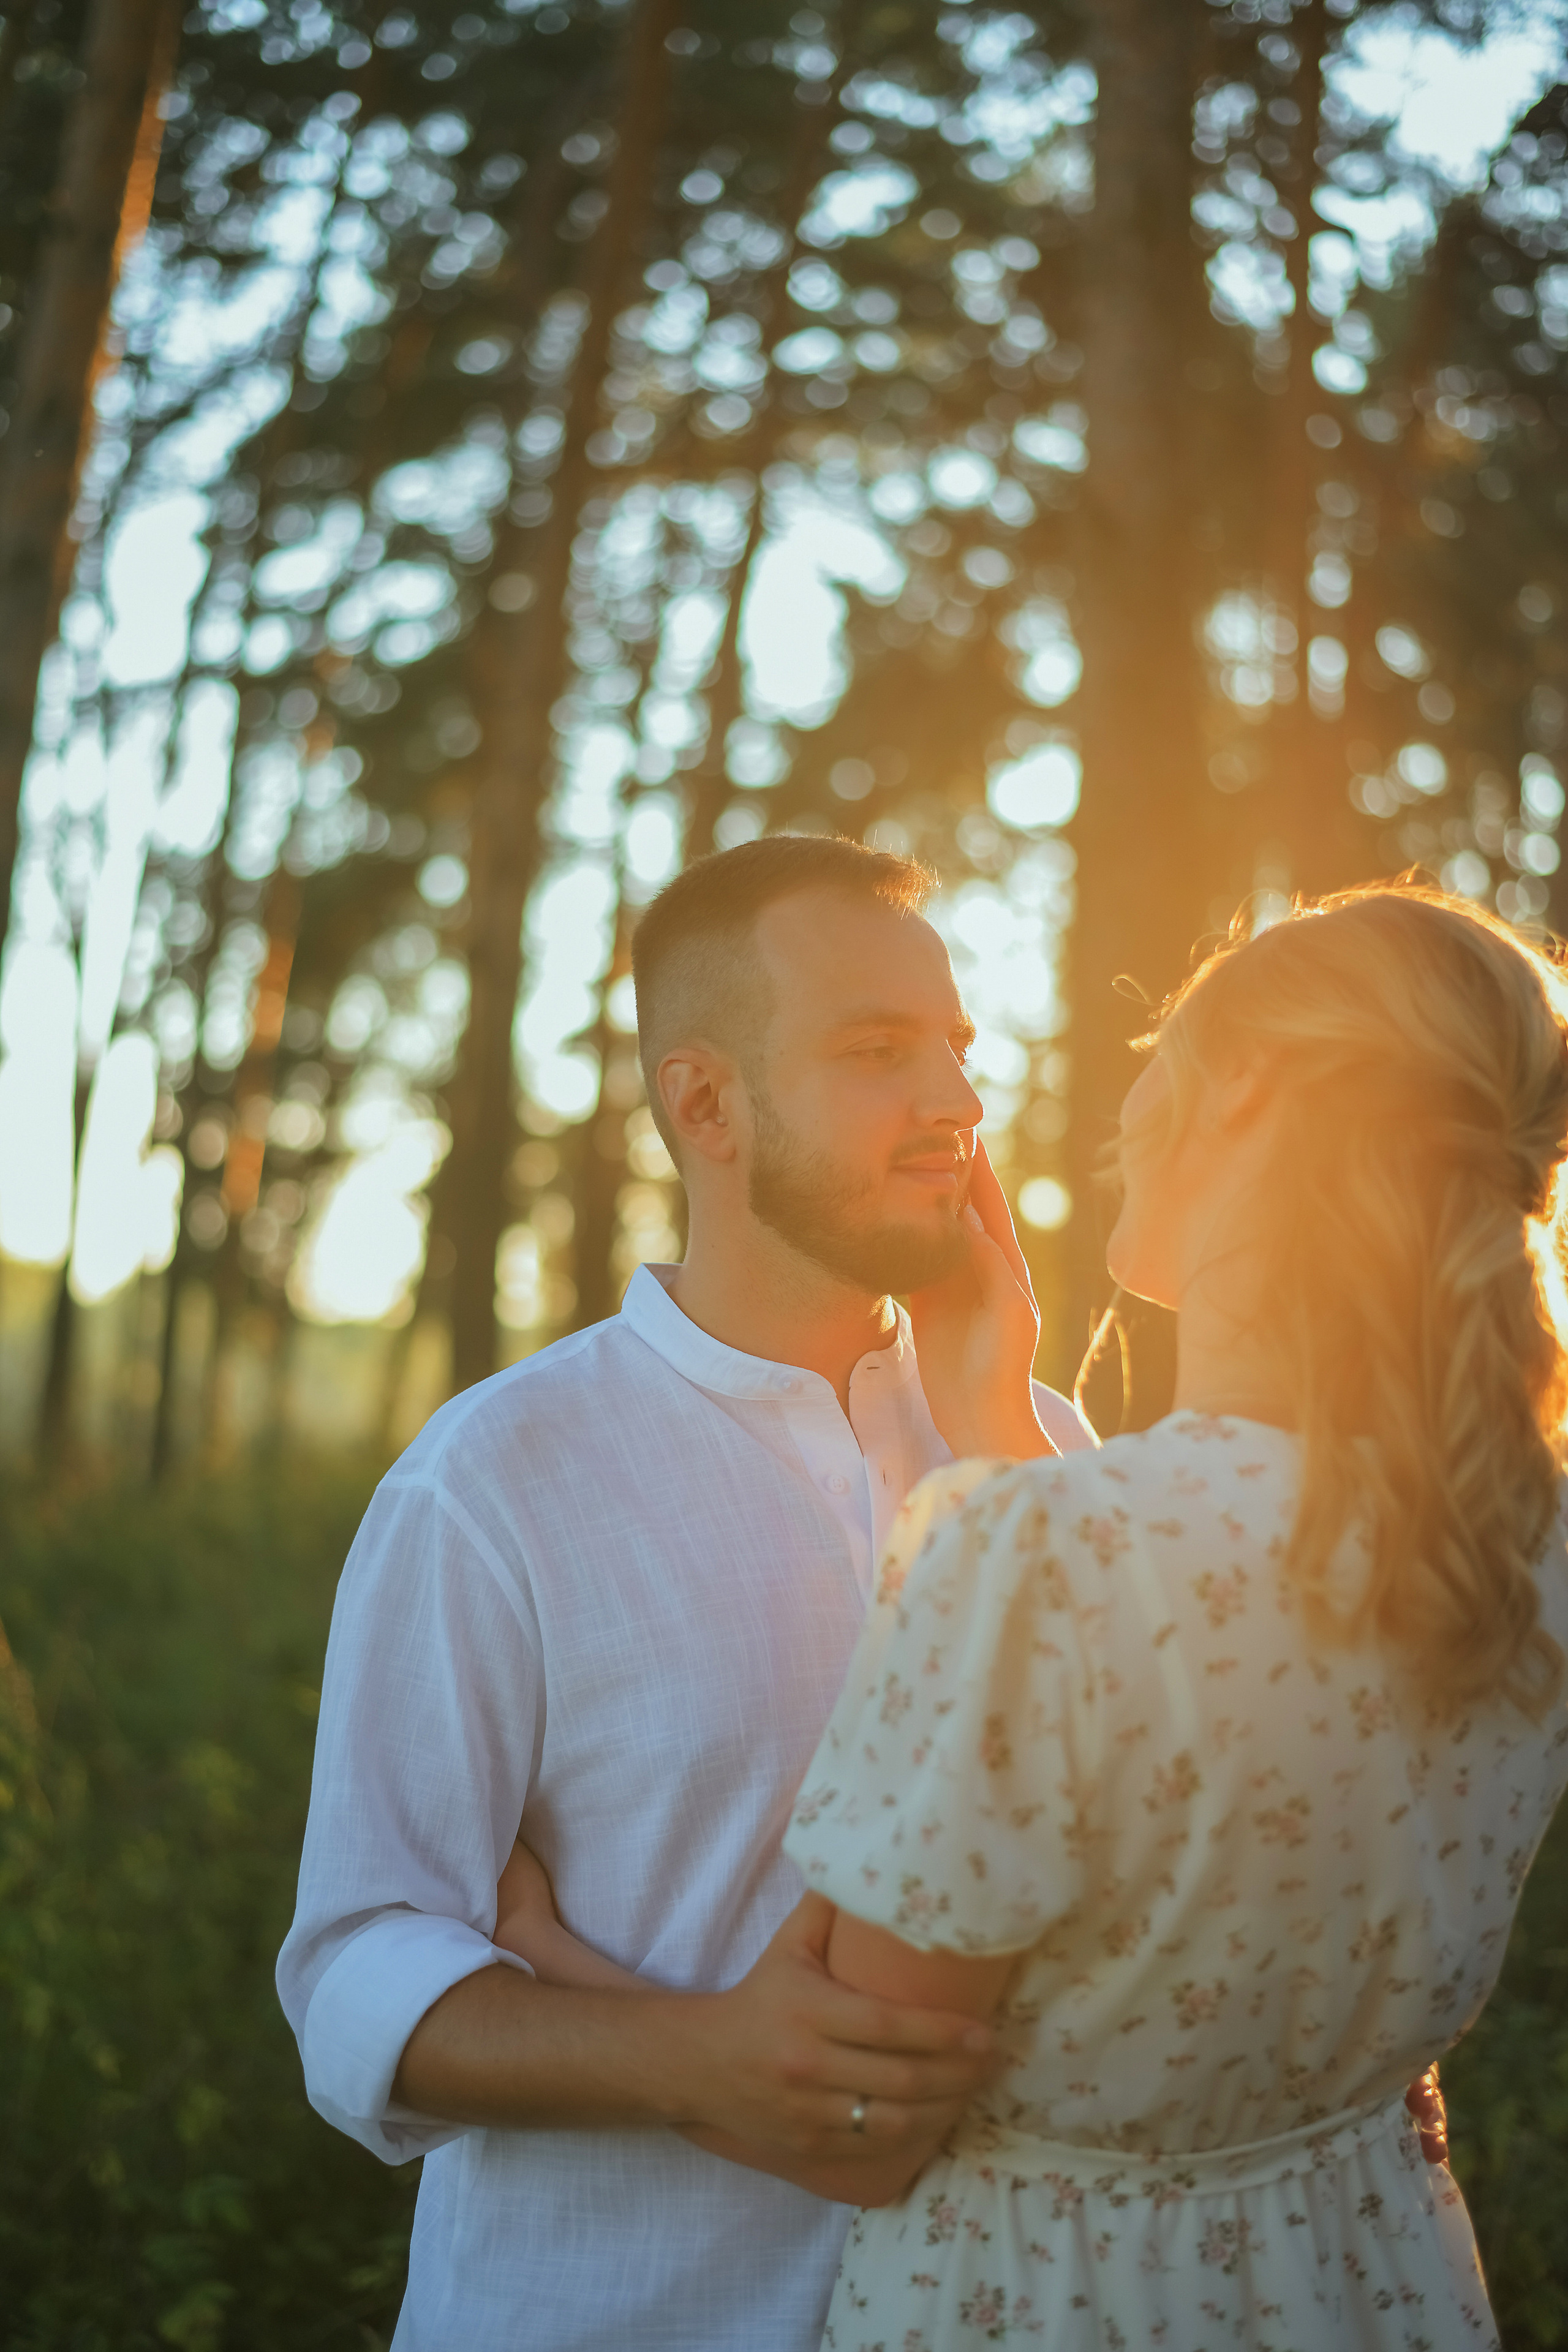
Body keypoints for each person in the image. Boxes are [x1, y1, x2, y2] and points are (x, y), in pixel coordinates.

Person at [499, 881, 1568, 2350]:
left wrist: (539, 1952)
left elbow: (854, 2126)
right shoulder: (1528, 1539)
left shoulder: (1040, 1558)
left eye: (1169, 1051)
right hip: (1365, 2279)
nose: (960, 1096)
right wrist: (997, 1410)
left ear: (1246, 1102)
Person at [276, 834, 1093, 2352]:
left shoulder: (1047, 1455)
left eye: (955, 1052)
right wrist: (694, 2060)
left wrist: (1005, 1420)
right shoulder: (494, 1479)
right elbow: (355, 1967)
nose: (955, 1107)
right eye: (875, 1051)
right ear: (703, 1101)